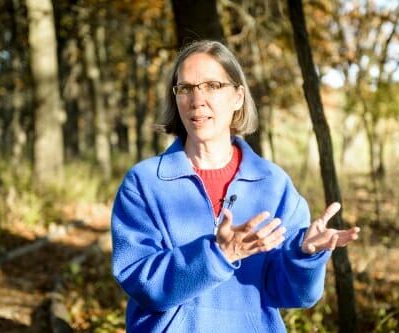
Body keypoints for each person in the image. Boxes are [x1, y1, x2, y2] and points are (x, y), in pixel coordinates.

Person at [111, 40, 360, 333]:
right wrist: (219, 255)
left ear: (238, 96)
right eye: (186, 88)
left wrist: (303, 257)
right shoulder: (144, 183)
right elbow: (142, 283)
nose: (197, 99)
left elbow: (294, 296)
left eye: (212, 86)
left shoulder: (273, 185)